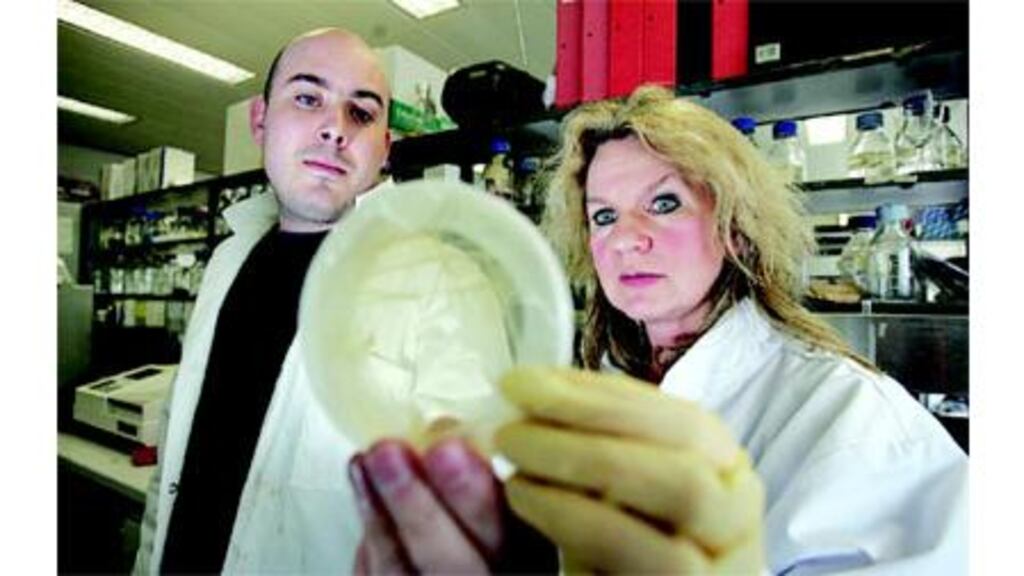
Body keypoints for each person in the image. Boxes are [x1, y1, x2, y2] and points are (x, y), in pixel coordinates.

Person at [349, 85, 967, 574]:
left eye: (664, 203)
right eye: (604, 216)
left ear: (732, 225)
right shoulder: (585, 385)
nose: (624, 238)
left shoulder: (851, 415)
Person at [132, 27, 395, 573]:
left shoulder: (416, 290)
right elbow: (178, 450)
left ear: (385, 149)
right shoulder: (227, 261)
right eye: (307, 98)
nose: (334, 129)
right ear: (260, 120)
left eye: (362, 114)